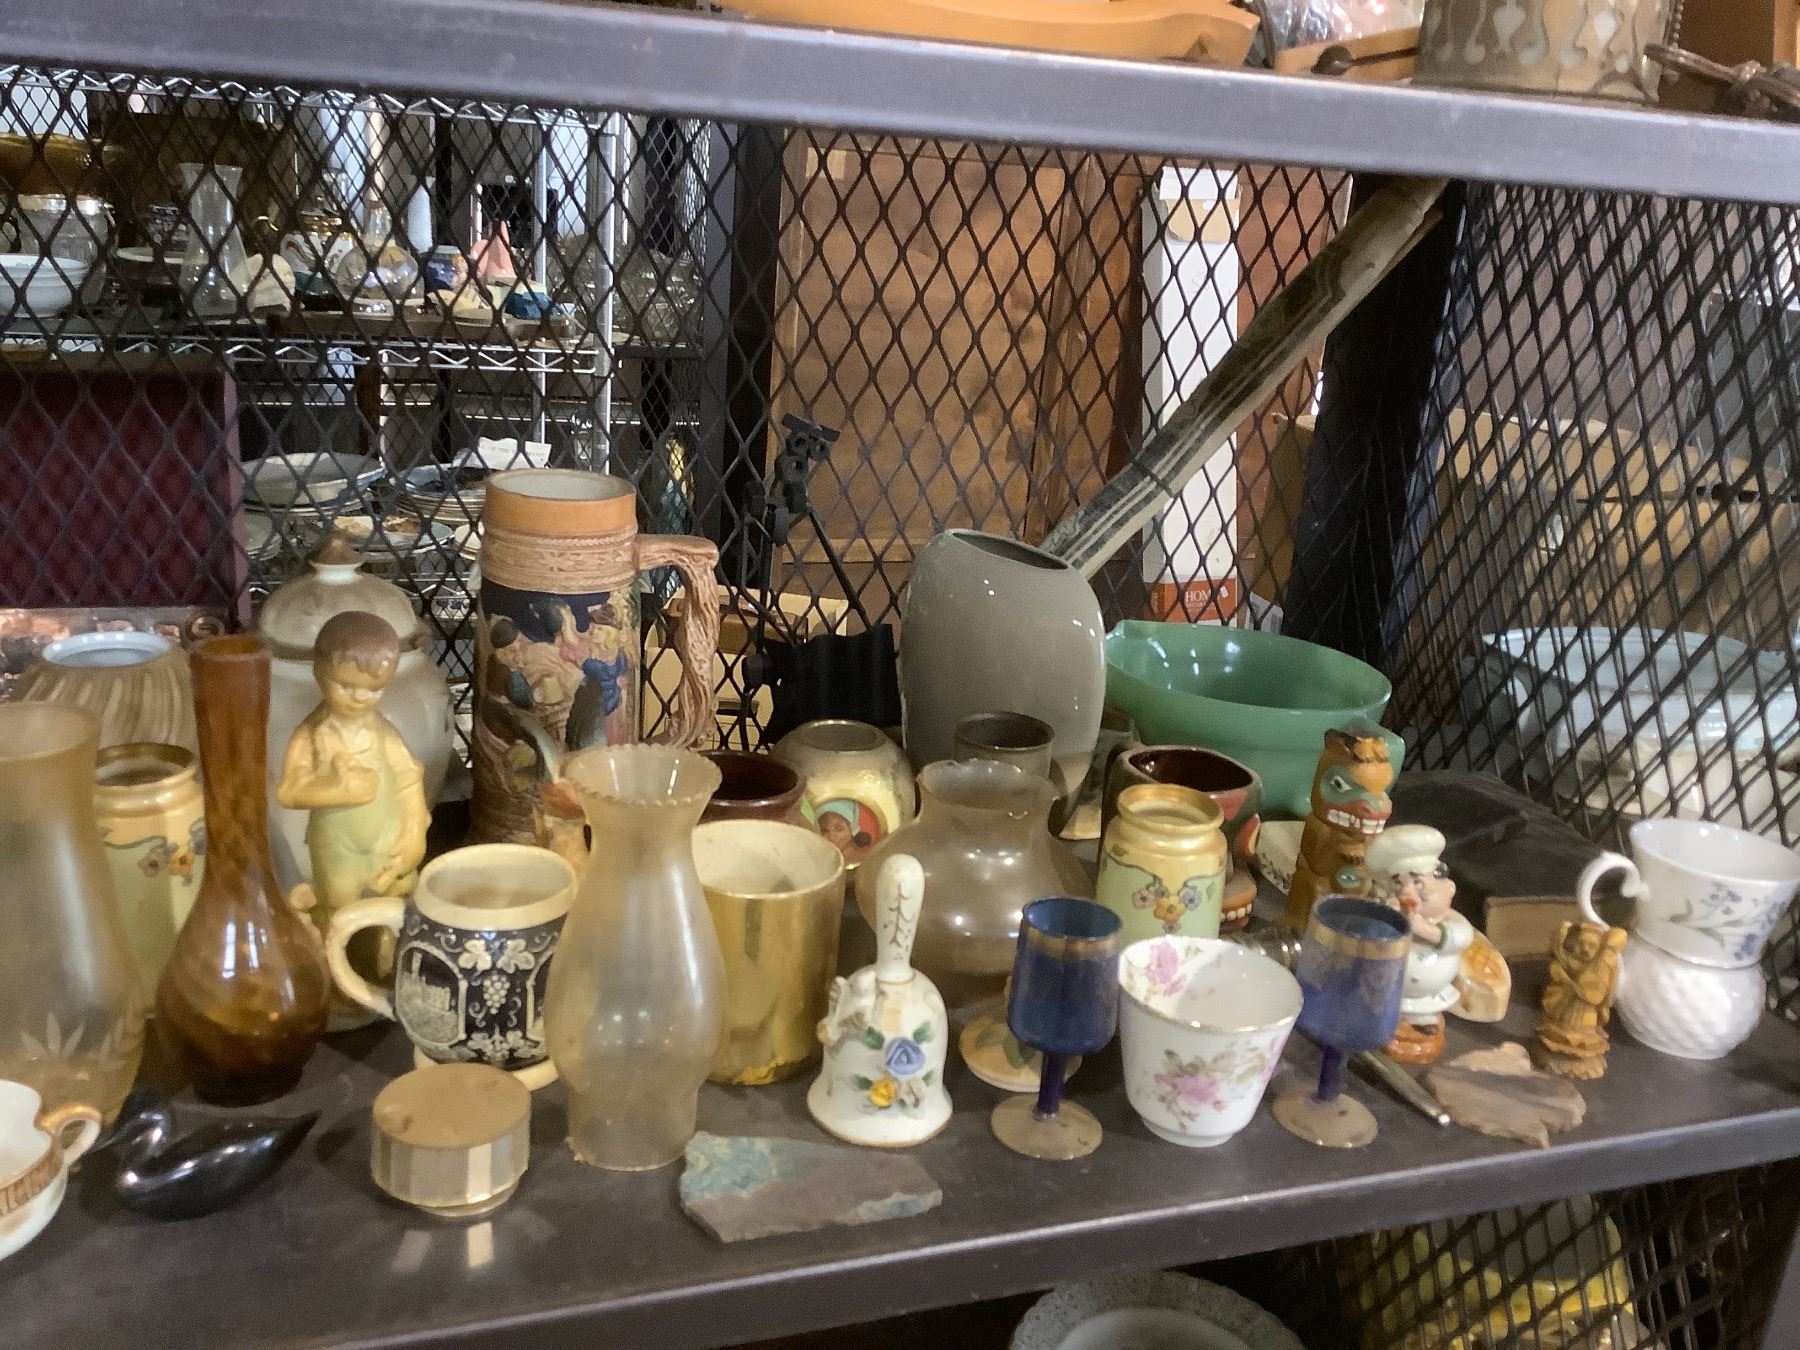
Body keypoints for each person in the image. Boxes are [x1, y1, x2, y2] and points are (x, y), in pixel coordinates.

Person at [278, 611, 429, 924]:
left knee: (395, 904)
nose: (360, 697)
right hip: (337, 849)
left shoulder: (383, 733)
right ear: (319, 673)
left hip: (386, 839)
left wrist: (414, 827)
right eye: (345, 685)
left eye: (375, 689)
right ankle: (334, 947)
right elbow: (289, 792)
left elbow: (408, 777)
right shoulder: (311, 734)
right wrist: (337, 790)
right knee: (338, 908)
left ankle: (386, 950)